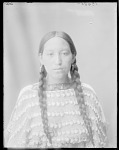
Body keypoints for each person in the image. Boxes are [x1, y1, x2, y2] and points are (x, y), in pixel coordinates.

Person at [4, 31, 108, 148]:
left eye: (64, 53)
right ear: (41, 58)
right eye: (50, 54)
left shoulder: (88, 95)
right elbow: (16, 144)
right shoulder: (28, 96)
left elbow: (99, 143)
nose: (58, 61)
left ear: (73, 57)